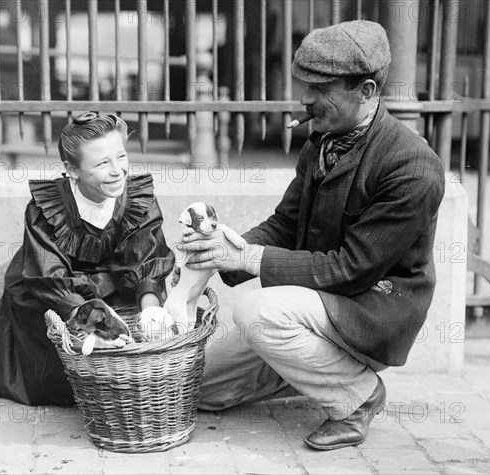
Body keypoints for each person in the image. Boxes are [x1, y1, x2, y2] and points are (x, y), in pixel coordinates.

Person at [181, 20, 445, 450]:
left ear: (368, 92)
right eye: (305, 85)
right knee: (197, 386)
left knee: (256, 309)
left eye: (322, 89)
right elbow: (285, 223)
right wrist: (223, 251)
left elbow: (353, 269)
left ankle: (358, 397)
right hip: (315, 306)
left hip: (371, 310)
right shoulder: (323, 140)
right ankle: (313, 371)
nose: (306, 98)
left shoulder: (412, 167)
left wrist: (247, 260)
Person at [0, 112, 175, 406]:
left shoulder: (137, 200)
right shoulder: (47, 209)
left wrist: (151, 312)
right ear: (72, 169)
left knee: (139, 329)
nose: (117, 170)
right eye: (102, 163)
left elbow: (144, 260)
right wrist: (90, 320)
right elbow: (48, 275)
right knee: (60, 352)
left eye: (121, 156)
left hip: (118, 286)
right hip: (60, 293)